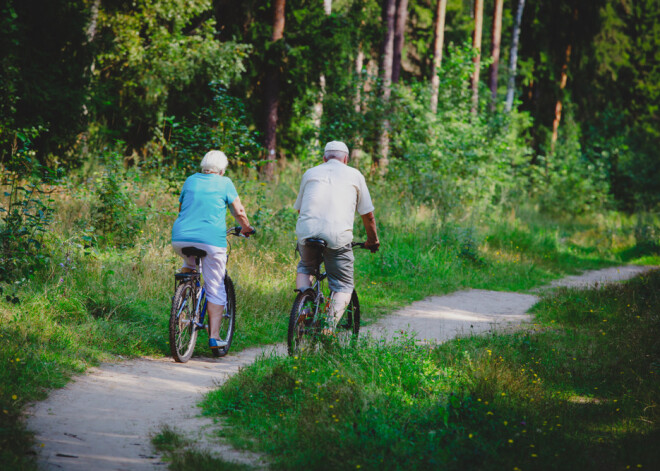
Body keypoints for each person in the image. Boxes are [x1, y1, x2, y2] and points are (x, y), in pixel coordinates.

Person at [171, 150, 254, 350]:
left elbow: (182, 208)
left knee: (189, 266)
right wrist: (246, 228)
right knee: (215, 283)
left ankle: (182, 311)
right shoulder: (225, 183)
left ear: (203, 166)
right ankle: (215, 337)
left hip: (180, 238)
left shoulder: (190, 180)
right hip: (211, 241)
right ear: (222, 170)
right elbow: (239, 211)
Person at [293, 140, 380, 332]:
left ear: (324, 158)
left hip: (307, 233)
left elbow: (300, 210)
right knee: (342, 285)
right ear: (346, 159)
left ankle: (304, 307)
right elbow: (368, 216)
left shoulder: (310, 172)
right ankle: (328, 327)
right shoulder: (355, 175)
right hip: (337, 237)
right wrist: (372, 241)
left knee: (306, 267)